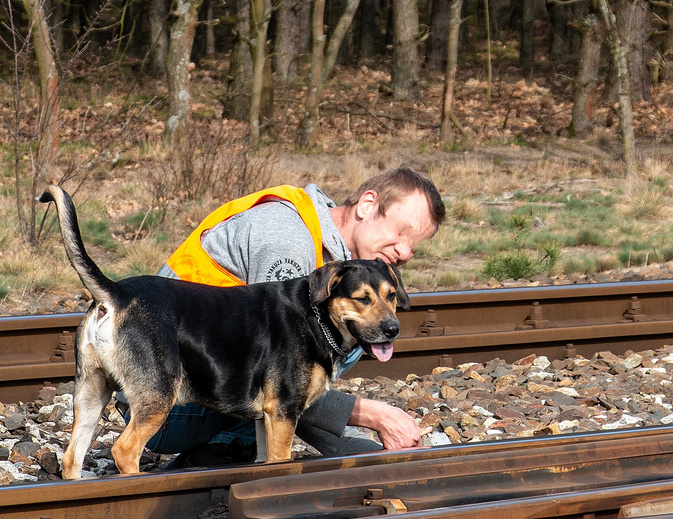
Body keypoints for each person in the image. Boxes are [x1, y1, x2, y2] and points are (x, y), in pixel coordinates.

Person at [139, 167, 445, 466]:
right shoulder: (288, 239)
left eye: (414, 248)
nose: (404, 252)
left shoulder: (345, 270)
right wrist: (371, 419)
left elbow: (293, 382)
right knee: (317, 348)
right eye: (401, 232)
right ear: (367, 205)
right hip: (168, 403)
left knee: (350, 329)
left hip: (206, 384)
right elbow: (283, 384)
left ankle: (239, 446)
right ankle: (230, 447)